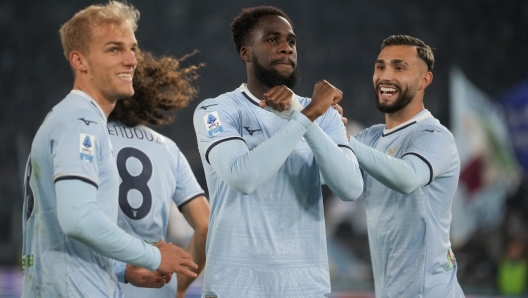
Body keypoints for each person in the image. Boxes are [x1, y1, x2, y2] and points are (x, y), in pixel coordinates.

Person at [21, 2, 197, 297]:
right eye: (114, 49)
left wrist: (122, 269)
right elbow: (78, 219)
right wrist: (152, 255)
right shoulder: (81, 121)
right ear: (79, 60)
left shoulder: (69, 118)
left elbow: (59, 234)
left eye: (133, 49)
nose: (131, 60)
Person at [192, 6, 363, 297]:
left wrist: (306, 116)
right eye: (272, 40)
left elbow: (350, 187)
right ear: (246, 52)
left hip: (306, 288)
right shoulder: (217, 110)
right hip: (235, 288)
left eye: (291, 42)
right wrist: (306, 117)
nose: (286, 48)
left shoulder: (324, 114)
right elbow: (242, 177)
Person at [347, 35, 465, 297]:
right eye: (380, 67)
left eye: (399, 67)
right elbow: (325, 174)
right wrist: (309, 118)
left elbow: (408, 177)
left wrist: (344, 141)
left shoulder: (435, 136)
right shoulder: (371, 137)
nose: (386, 76)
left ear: (425, 80)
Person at [108, 49, 210, 298]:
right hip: (155, 288)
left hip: (98, 284)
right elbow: (206, 225)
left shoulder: (86, 138)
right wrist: (181, 285)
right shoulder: (167, 149)